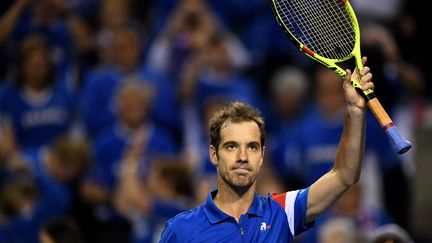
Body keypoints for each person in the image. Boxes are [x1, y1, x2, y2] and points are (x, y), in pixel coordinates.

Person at [159, 57, 374, 242]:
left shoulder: (281, 212)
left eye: (252, 147)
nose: (242, 157)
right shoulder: (180, 230)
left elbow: (345, 175)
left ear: (262, 156)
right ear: (214, 154)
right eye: (232, 146)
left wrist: (354, 112)